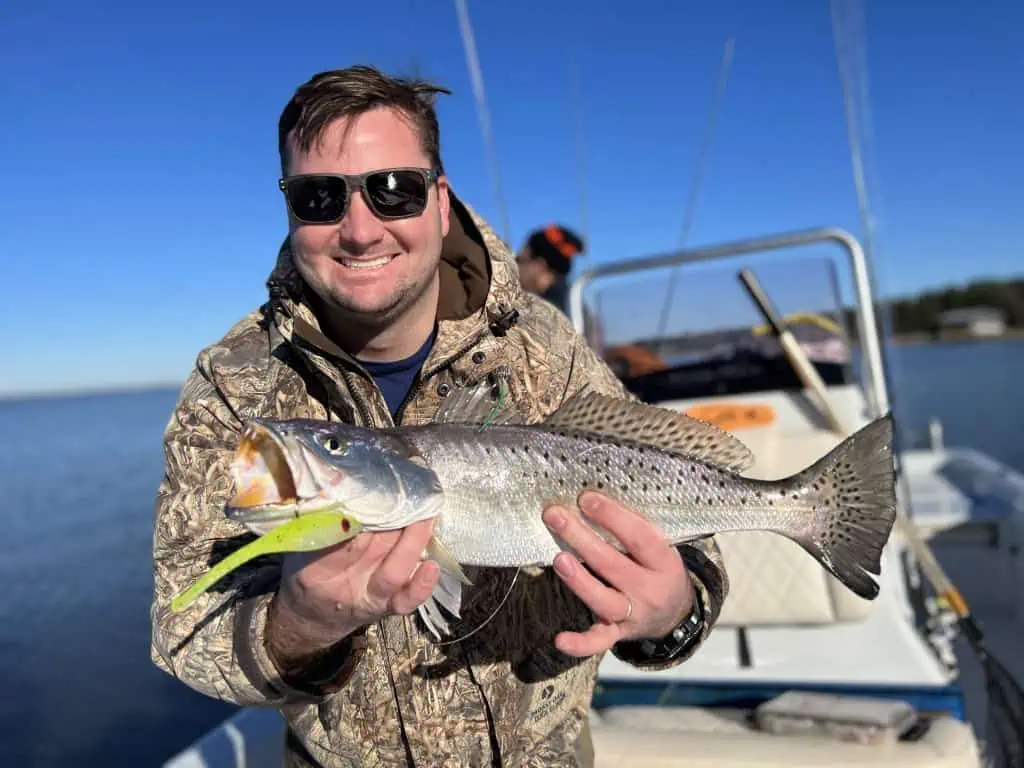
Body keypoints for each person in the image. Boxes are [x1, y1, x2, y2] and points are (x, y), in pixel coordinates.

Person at [150, 65, 729, 768]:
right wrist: (296, 623)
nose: (360, 229)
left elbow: (692, 538)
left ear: (441, 202)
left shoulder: (544, 347)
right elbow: (182, 624)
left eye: (395, 190)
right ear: (291, 210)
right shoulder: (233, 388)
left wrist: (672, 611)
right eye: (319, 196)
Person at [516, 224, 584, 316]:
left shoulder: (528, 311)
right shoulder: (576, 307)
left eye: (519, 260)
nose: (516, 266)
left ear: (541, 264)